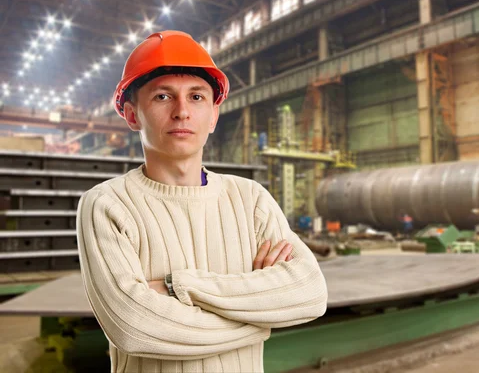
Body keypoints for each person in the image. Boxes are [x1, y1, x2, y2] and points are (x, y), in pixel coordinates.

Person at [76, 30, 328, 373]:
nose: (182, 111)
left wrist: (178, 286)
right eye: (163, 97)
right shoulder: (107, 206)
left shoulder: (250, 199)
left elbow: (309, 293)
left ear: (213, 115)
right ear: (132, 115)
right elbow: (134, 327)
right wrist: (260, 320)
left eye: (196, 97)